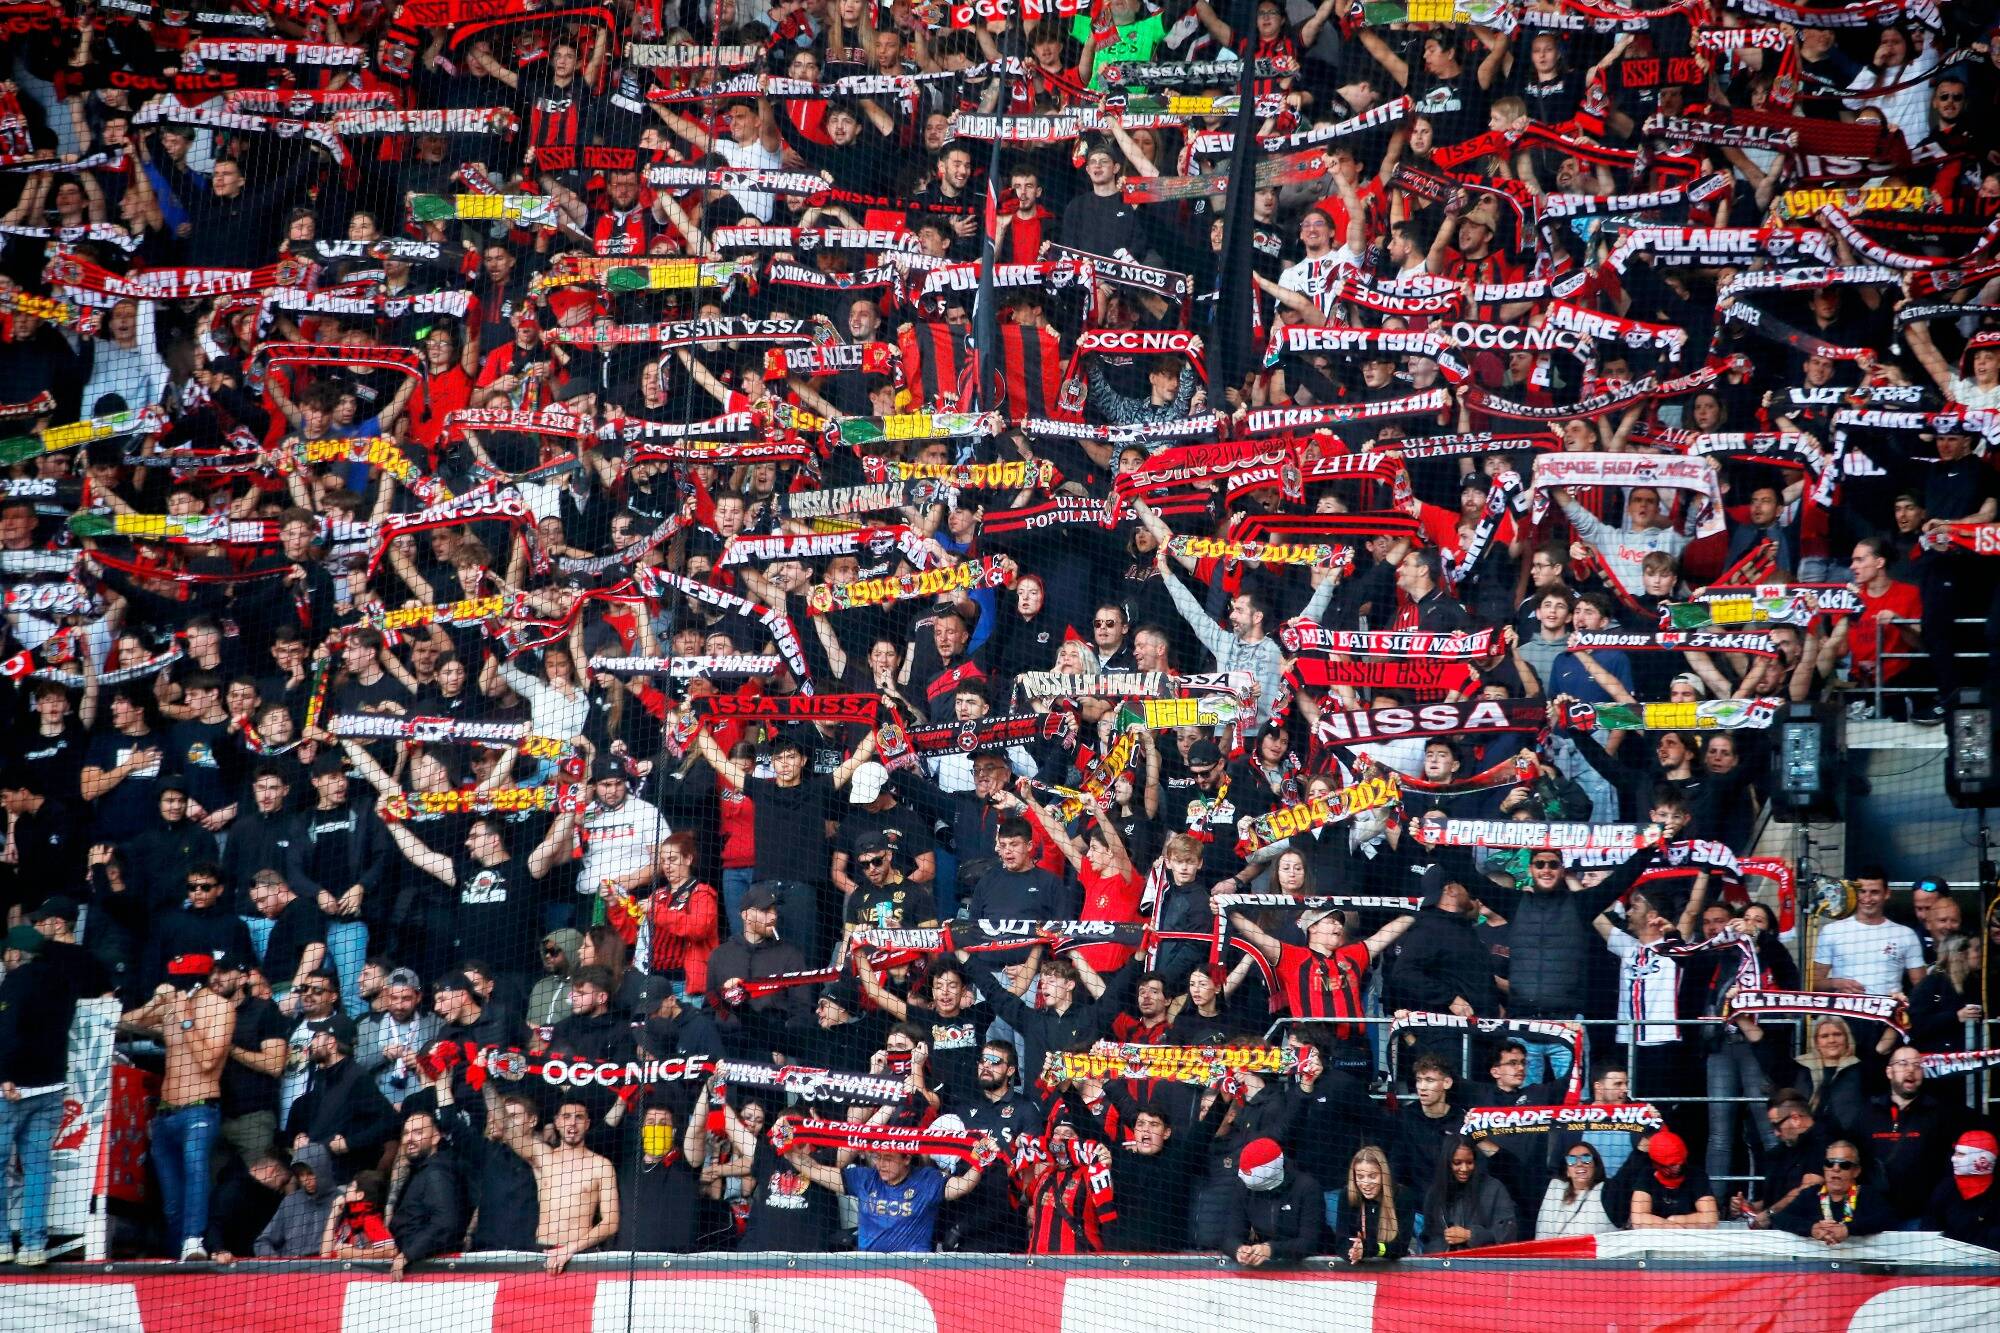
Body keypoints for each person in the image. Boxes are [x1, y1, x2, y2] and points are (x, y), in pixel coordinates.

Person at [122, 952, 233, 1259]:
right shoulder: (170, 1006)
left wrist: (185, 1018)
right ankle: (177, 1254)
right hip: (165, 1114)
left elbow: (208, 1061)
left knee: (196, 1173)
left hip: (199, 1106)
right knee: (171, 1199)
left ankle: (194, 1241)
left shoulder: (220, 1007)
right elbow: (122, 1023)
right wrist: (154, 1003)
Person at [781, 1110, 988, 1253]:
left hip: (915, 1271)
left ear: (906, 1159)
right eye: (877, 1157)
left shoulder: (926, 1180)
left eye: (888, 1158)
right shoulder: (864, 1178)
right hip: (870, 1272)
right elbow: (814, 1170)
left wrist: (981, 1160)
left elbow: (963, 1185)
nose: (880, 1164)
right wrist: (785, 1144)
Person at [0, 925, 73, 1265]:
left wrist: (4, 1075)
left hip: (13, 1090)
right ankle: (33, 1245)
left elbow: (6, 1031)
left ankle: (2, 1242)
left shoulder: (15, 981)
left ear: (15, 953)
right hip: (52, 1087)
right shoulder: (64, 981)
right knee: (38, 1167)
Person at [502, 1098, 621, 1272]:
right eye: (566, 1117)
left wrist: (569, 1249)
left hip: (580, 1254)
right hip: (541, 1251)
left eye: (579, 1117)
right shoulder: (543, 1155)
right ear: (557, 1122)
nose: (572, 1122)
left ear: (587, 1124)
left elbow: (611, 1222)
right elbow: (506, 1128)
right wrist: (485, 1085)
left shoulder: (601, 1165)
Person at [1763, 1139, 1892, 1244]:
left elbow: (1887, 1218)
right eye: (1829, 1163)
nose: (1835, 1169)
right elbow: (1781, 1218)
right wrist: (1812, 1228)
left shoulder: (1868, 1194)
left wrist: (1848, 1229)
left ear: (1856, 1171)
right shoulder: (1810, 1194)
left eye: (1844, 1165)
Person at [1219, 1137, 1323, 1266]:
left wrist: (1271, 1249)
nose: (1254, 1191)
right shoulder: (1243, 1187)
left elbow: (1310, 1242)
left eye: (1259, 1185)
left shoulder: (1307, 1187)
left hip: (1307, 1265)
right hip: (1264, 1265)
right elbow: (1229, 1235)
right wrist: (1238, 1249)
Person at [252, 1143, 339, 1258]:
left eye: (310, 1173)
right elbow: (262, 1242)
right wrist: (277, 1261)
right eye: (300, 1175)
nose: (305, 1180)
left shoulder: (341, 1200)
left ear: (323, 1170)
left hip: (327, 1265)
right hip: (289, 1266)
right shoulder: (290, 1201)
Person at [1626, 1129, 1719, 1229]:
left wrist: (1676, 1220)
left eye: (1680, 1162)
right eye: (1671, 1165)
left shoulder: (1696, 1176)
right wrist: (1672, 1227)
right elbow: (1638, 1220)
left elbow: (1710, 1219)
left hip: (1688, 1236)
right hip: (1656, 1237)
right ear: (1657, 1164)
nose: (1677, 1167)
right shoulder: (1646, 1176)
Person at [1338, 1146, 1416, 1263]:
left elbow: (1399, 1247)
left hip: (1393, 1269)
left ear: (1383, 1175)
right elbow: (1341, 1242)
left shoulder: (1402, 1196)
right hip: (1358, 1269)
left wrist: (1370, 1249)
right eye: (1360, 1177)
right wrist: (1352, 1251)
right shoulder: (1346, 1196)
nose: (1366, 1183)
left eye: (1372, 1176)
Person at [1925, 1130, 2000, 1250]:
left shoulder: (1995, 1197)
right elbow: (1929, 1229)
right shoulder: (1945, 1188)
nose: (1953, 1159)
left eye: (1961, 1154)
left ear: (1983, 1159)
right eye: (1955, 1153)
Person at [1537, 1143, 1614, 1239]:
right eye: (1571, 1160)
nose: (1579, 1164)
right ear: (1567, 1171)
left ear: (1595, 1166)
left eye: (1586, 1158)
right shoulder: (1555, 1192)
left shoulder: (1608, 1193)